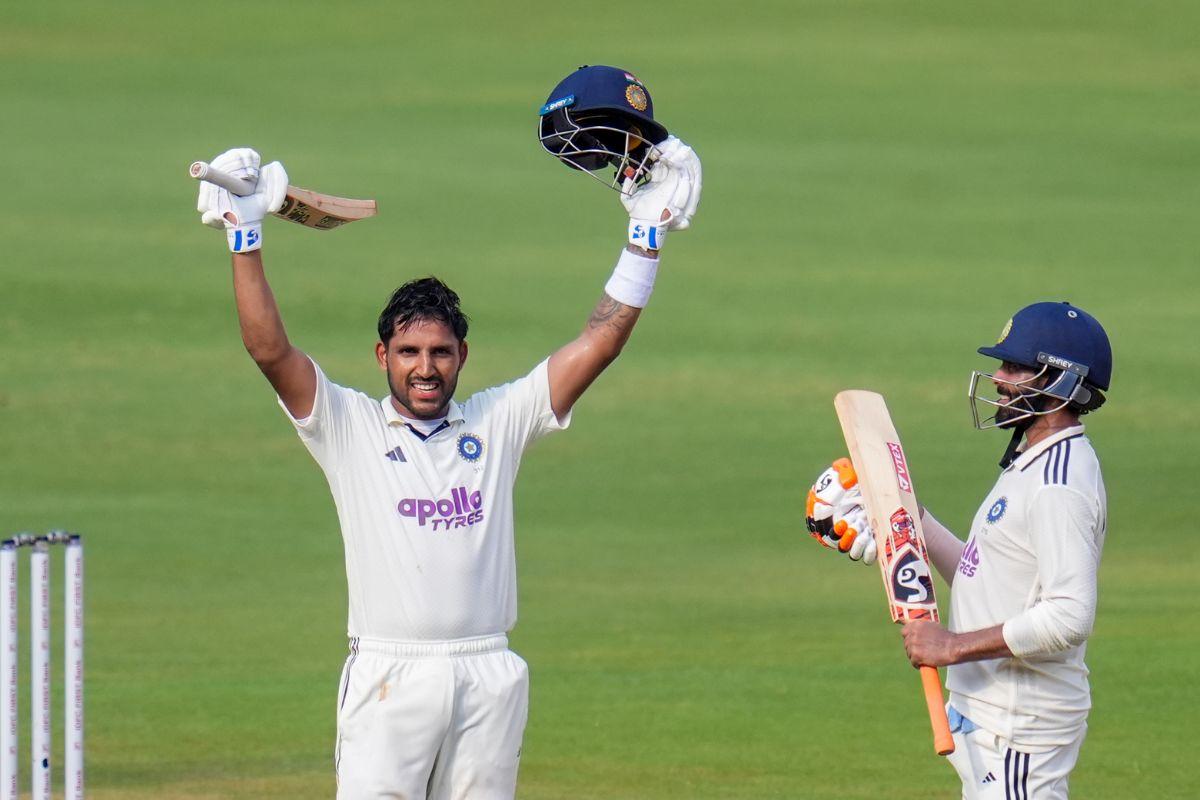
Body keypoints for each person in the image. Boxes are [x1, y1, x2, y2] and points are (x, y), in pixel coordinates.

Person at [193, 67, 700, 799]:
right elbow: (270, 352)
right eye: (408, 354)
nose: (424, 370)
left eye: (438, 353)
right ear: (382, 358)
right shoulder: (348, 426)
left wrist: (644, 239)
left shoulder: (497, 420)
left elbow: (597, 345)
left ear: (462, 355)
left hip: (487, 671)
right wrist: (245, 237)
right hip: (390, 675)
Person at [806, 301, 1112, 799]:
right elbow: (985, 571)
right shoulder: (1033, 461)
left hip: (1019, 725)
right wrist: (905, 520)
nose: (997, 378)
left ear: (1058, 382)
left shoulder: (1059, 486)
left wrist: (951, 646)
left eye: (1014, 367)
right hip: (989, 714)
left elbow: (1070, 616)